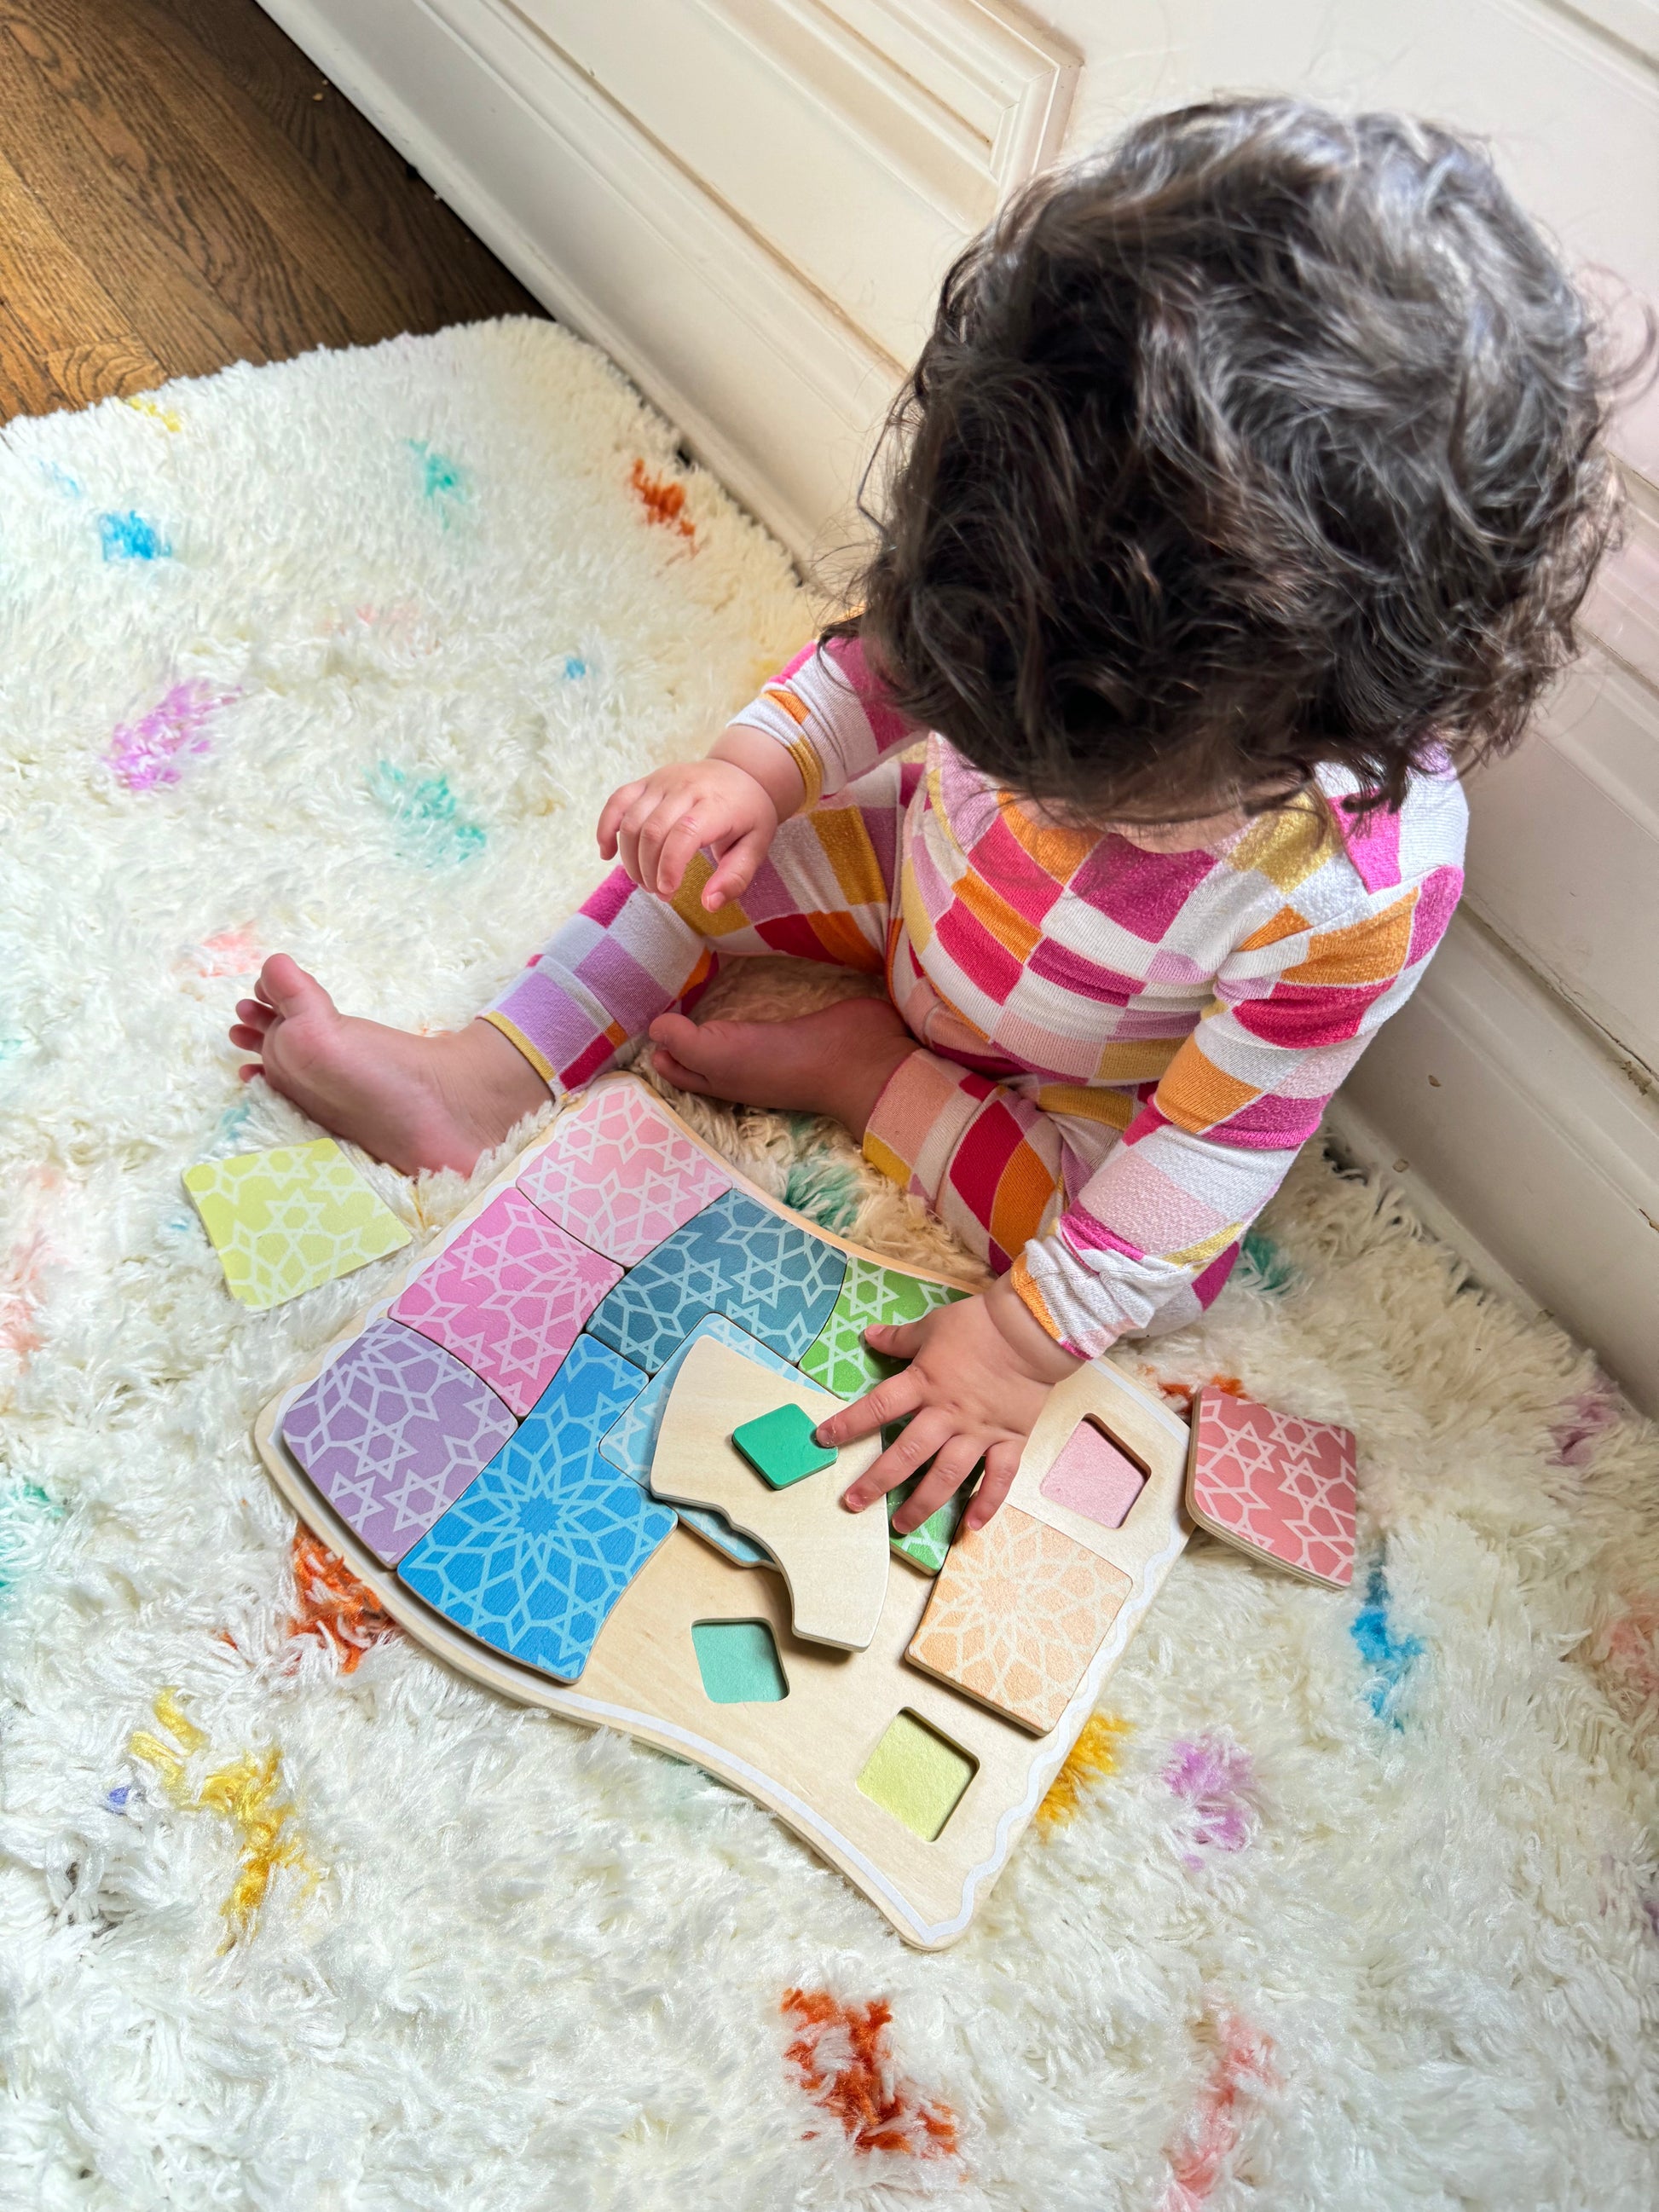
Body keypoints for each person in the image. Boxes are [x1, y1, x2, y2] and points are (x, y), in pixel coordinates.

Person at [229, 100, 1616, 1541]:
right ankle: (482, 1076)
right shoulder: (1018, 544)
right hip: (912, 880)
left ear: (1329, 724)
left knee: (1145, 1266)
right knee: (702, 862)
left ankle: (863, 1072)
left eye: (1105, 801)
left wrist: (1015, 1348)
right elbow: (863, 673)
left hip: (1089, 1078)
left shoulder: (1352, 888)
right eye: (987, 724)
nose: (1038, 800)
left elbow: (1201, 1162)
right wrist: (752, 777)